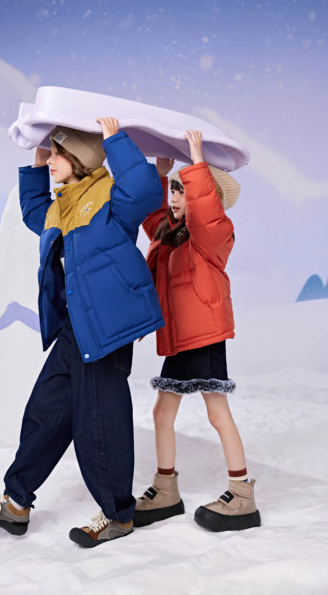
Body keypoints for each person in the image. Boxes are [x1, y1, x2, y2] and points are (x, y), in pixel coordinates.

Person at [0, 118, 164, 548]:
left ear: (80, 158)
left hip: (106, 326)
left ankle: (118, 514)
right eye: (50, 152)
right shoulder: (63, 204)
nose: (51, 159)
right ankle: (16, 502)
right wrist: (36, 163)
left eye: (57, 153)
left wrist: (114, 140)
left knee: (99, 420)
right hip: (76, 324)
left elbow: (144, 190)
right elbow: (34, 212)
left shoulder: (111, 198)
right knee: (46, 410)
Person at [133, 130, 261, 532]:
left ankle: (242, 493)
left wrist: (196, 161)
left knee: (216, 412)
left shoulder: (214, 235)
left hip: (204, 334)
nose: (175, 197)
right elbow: (152, 217)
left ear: (207, 196)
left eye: (183, 190)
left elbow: (205, 211)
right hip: (179, 338)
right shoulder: (169, 234)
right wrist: (161, 175)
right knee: (162, 411)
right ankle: (166, 488)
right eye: (174, 190)